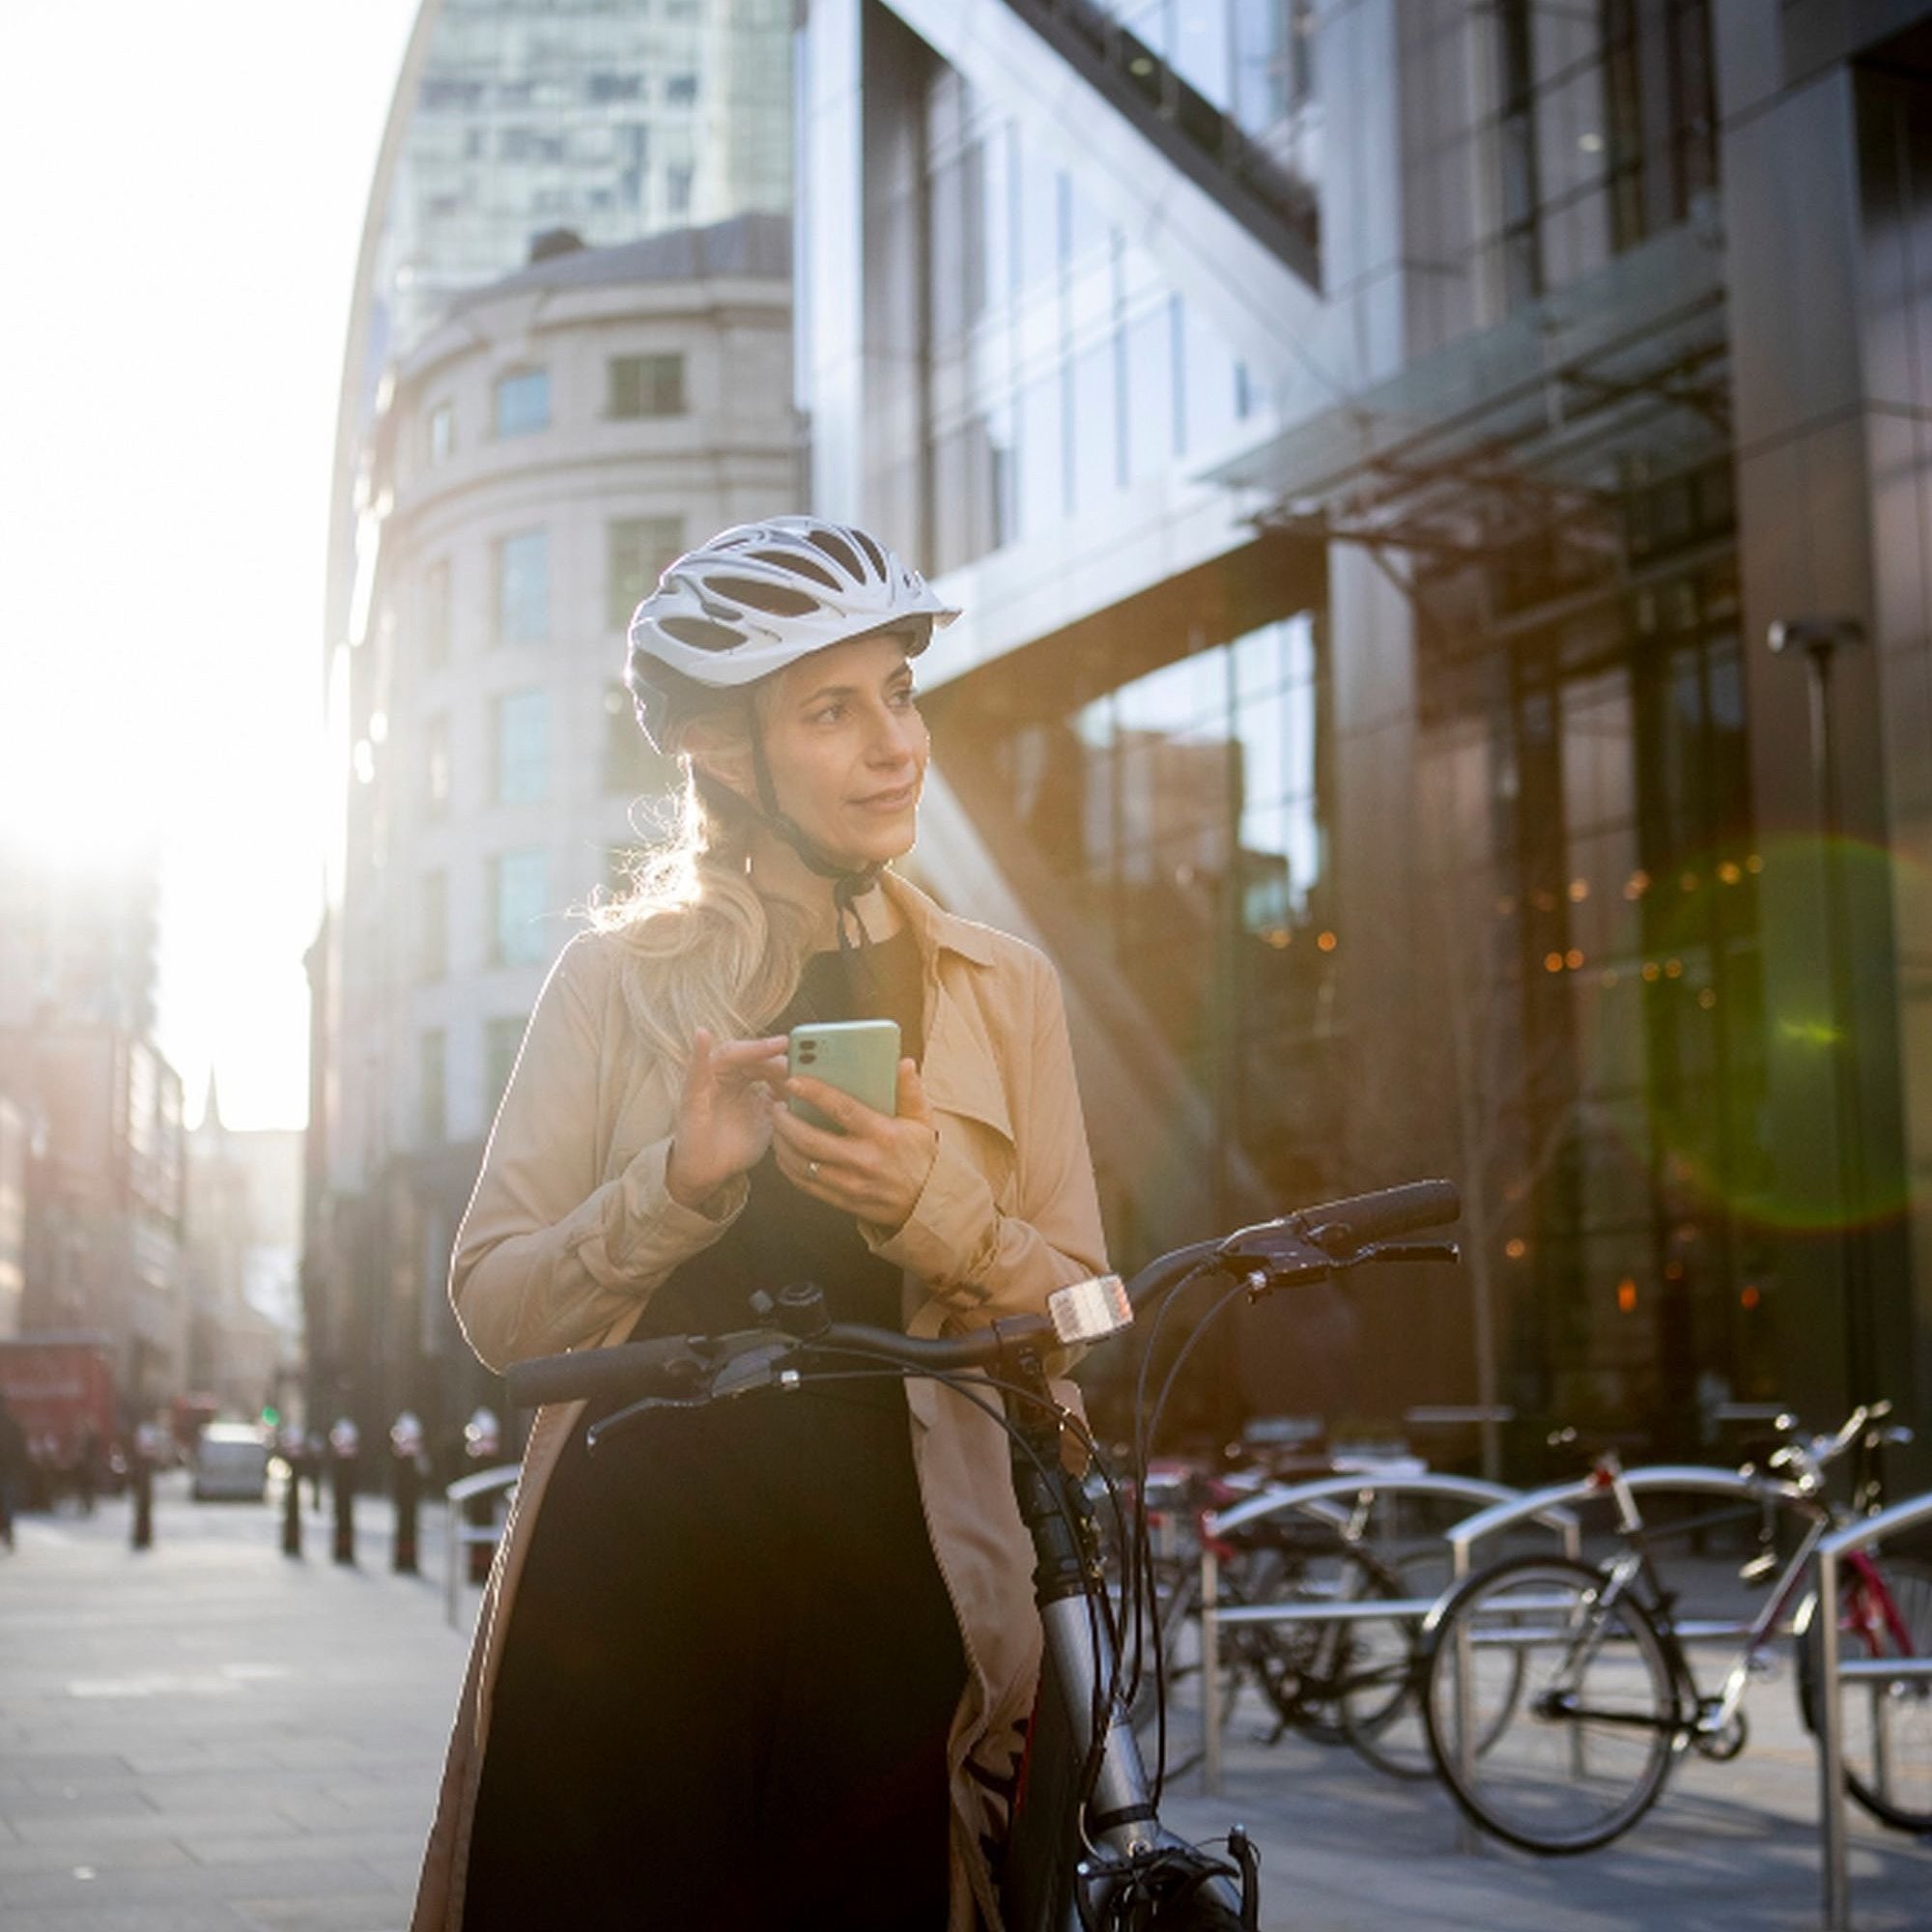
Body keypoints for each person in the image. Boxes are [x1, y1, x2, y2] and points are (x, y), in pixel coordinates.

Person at [411, 518, 1106, 1932]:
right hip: (629, 1610)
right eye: (832, 710)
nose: (893, 746)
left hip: (898, 1610)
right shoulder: (614, 985)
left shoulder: (1002, 988)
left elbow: (1085, 1314)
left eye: (898, 696)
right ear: (724, 753)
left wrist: (931, 1206)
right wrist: (672, 1187)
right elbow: (495, 1302)